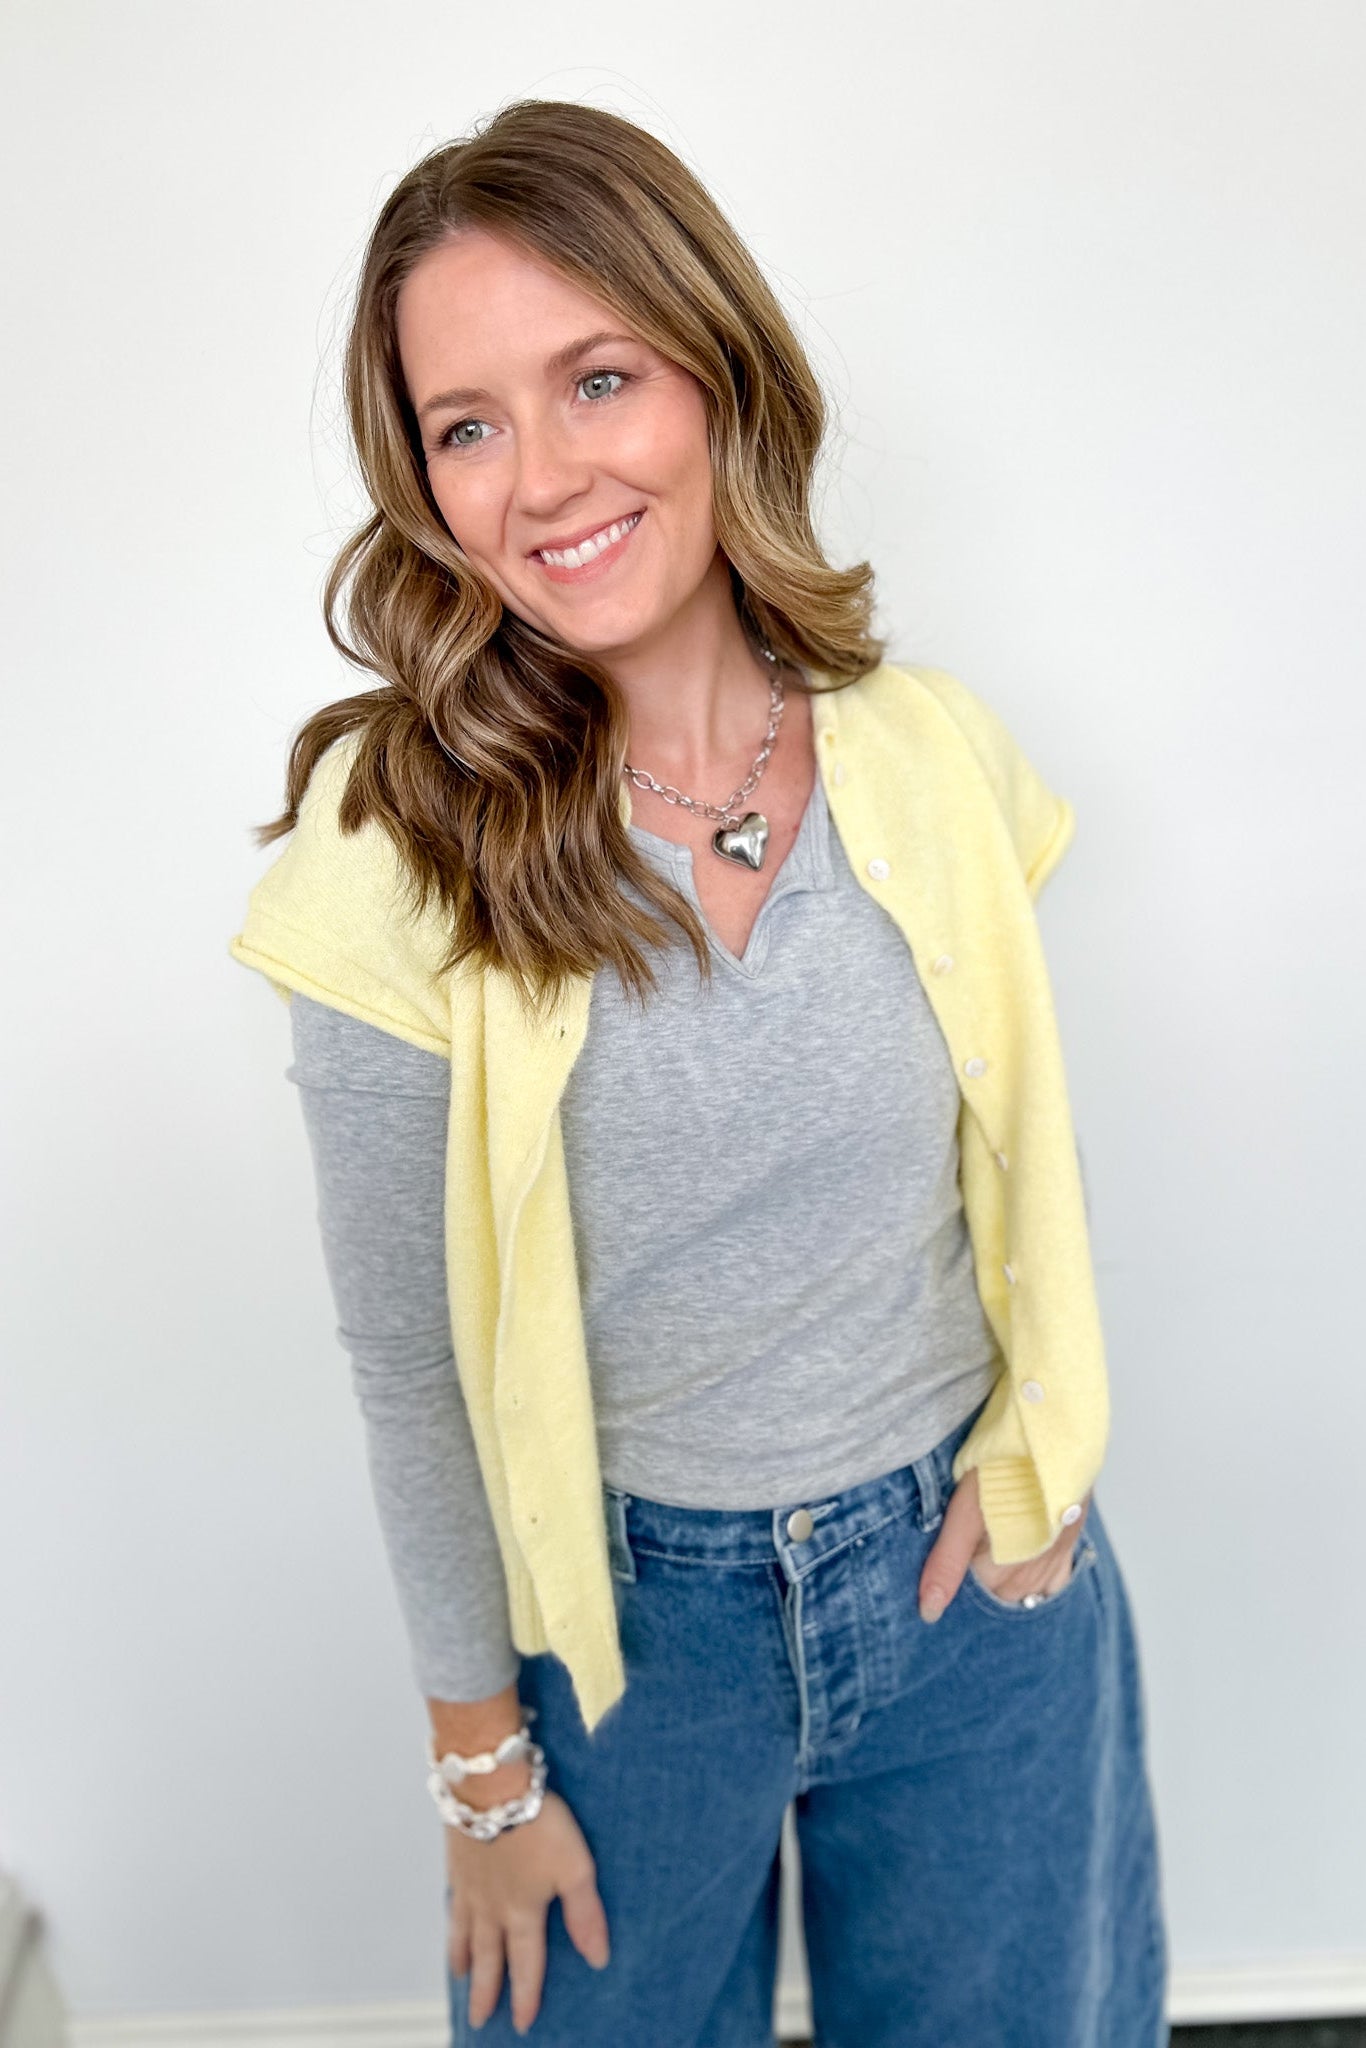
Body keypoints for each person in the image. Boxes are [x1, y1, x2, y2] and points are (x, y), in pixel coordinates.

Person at [228, 97, 1169, 2047]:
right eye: (465, 425)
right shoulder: (389, 847)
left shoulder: (931, 753)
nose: (541, 477)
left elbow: (1017, 1157)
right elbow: (410, 1368)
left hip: (973, 1597)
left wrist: (1042, 1459)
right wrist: (483, 1778)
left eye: (597, 380)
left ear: (717, 372)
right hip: (623, 1649)